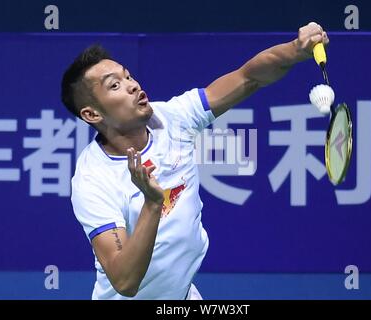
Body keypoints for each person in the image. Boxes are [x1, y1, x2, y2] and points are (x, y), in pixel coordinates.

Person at [61, 22, 329, 300]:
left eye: (128, 76)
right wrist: (153, 204)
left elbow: (249, 78)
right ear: (92, 115)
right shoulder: (92, 180)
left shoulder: (174, 118)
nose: (132, 86)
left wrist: (295, 50)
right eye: (115, 85)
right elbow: (125, 281)